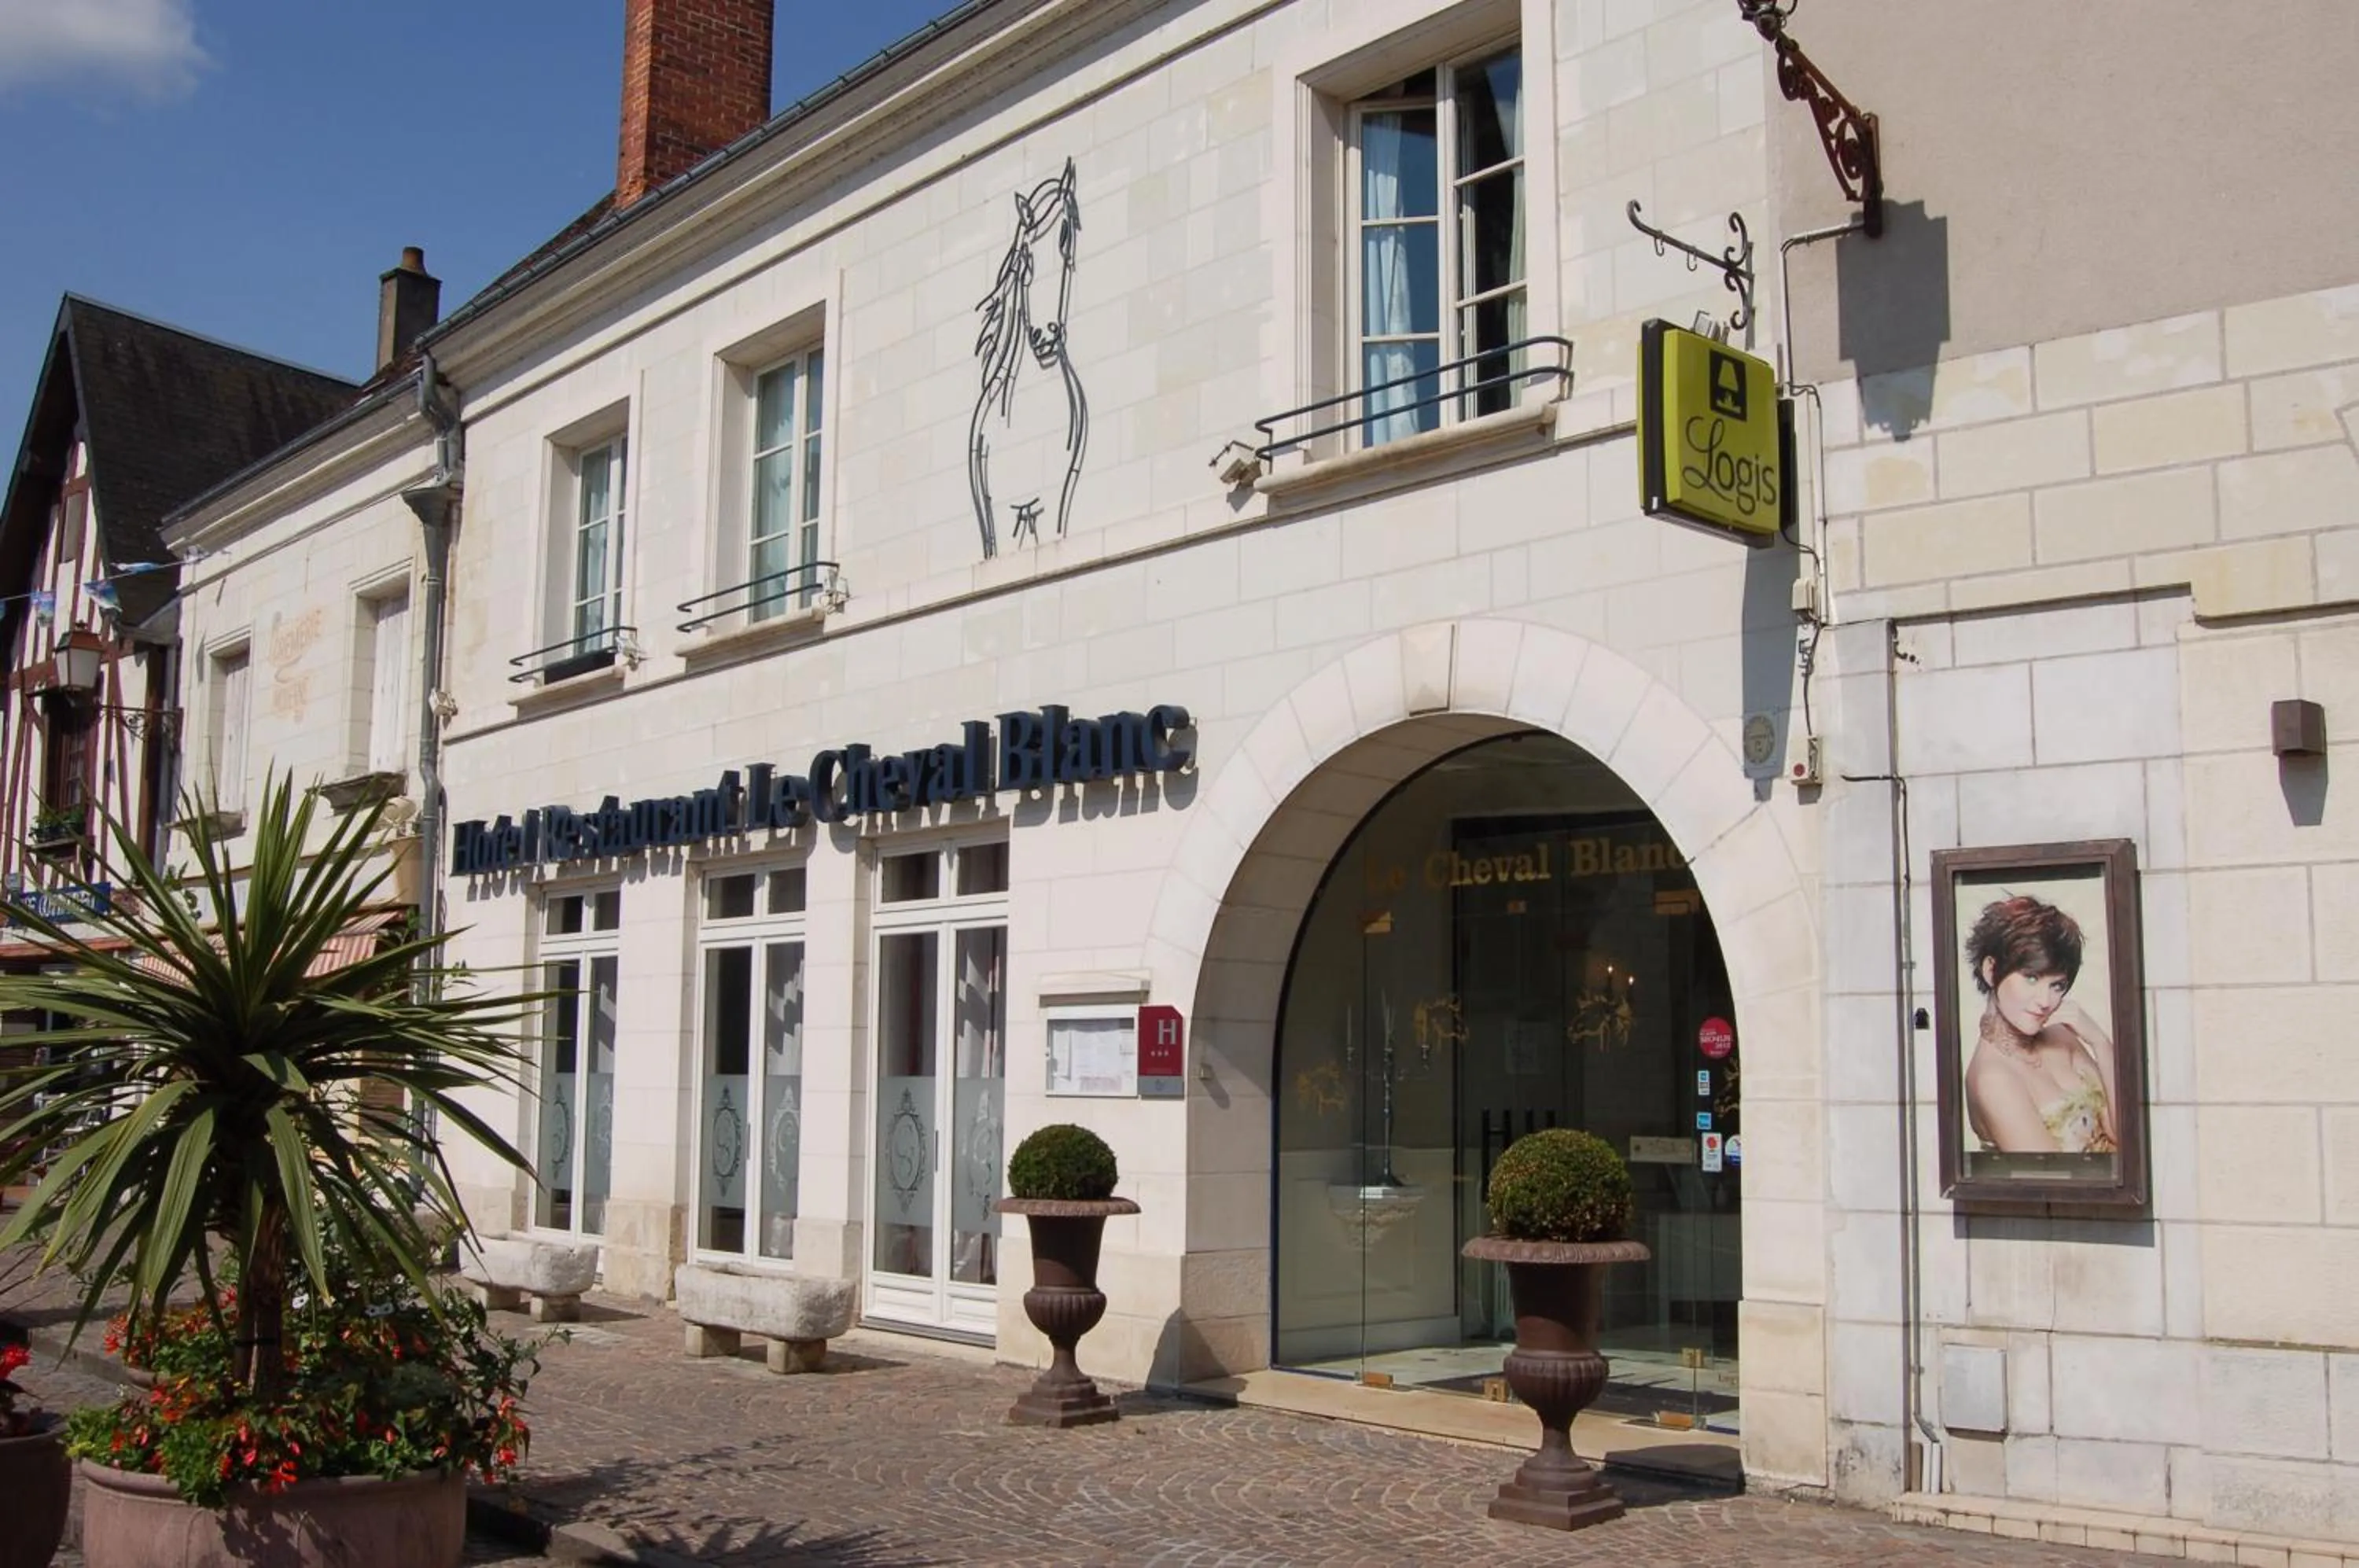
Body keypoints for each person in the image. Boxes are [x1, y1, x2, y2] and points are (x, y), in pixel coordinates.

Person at [1961, 895, 2117, 1156]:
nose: (2045, 1001)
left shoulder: (2060, 1036)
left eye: (2057, 985)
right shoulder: (1993, 1078)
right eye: (2031, 978)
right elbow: (2054, 1183)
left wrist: (2100, 1043)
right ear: (1991, 970)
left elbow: (2122, 1134)